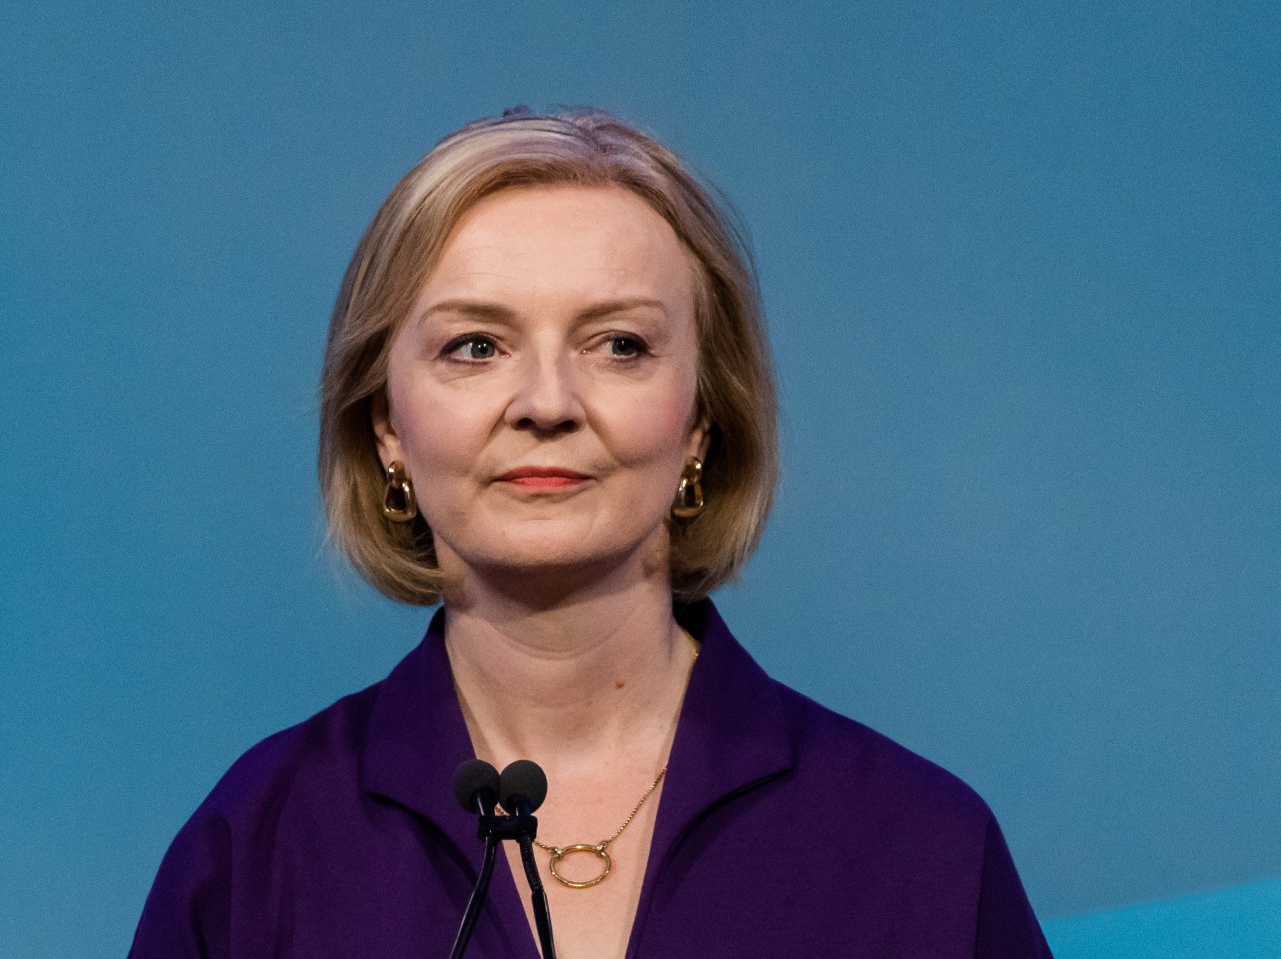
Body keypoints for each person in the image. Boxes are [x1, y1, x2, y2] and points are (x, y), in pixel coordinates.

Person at [129, 106, 1053, 959]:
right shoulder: (256, 849)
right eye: (476, 346)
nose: (546, 403)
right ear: (386, 426)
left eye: (619, 345)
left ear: (700, 419)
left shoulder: (922, 846)